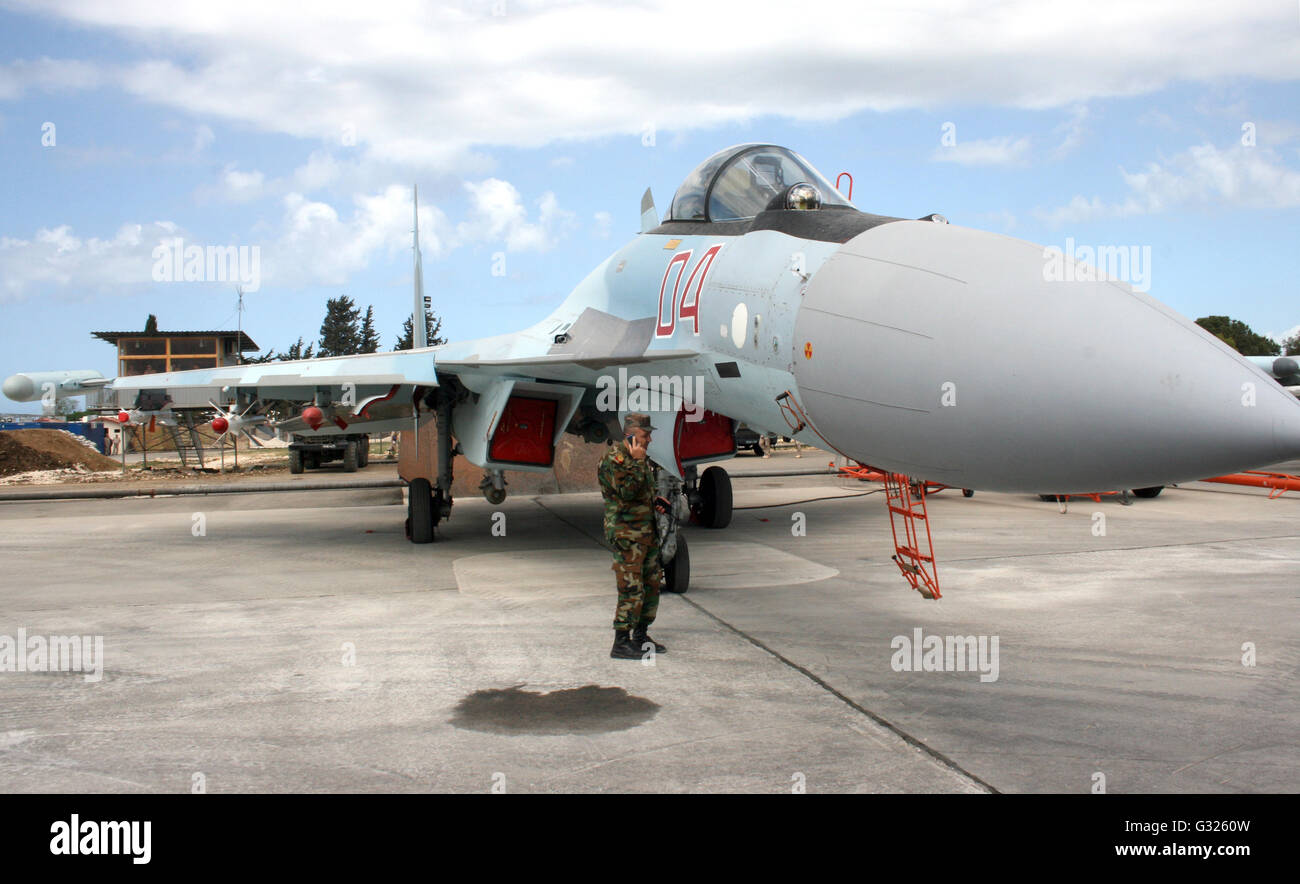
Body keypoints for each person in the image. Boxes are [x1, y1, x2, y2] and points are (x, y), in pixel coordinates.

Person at [597, 413, 669, 660]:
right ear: (630, 435)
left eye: (649, 434)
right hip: (627, 535)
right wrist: (638, 464)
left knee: (651, 585)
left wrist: (656, 501)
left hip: (646, 534)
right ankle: (621, 642)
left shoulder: (639, 458)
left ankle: (640, 634)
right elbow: (626, 493)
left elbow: (639, 493)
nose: (649, 438)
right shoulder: (614, 460)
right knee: (631, 588)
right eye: (644, 434)